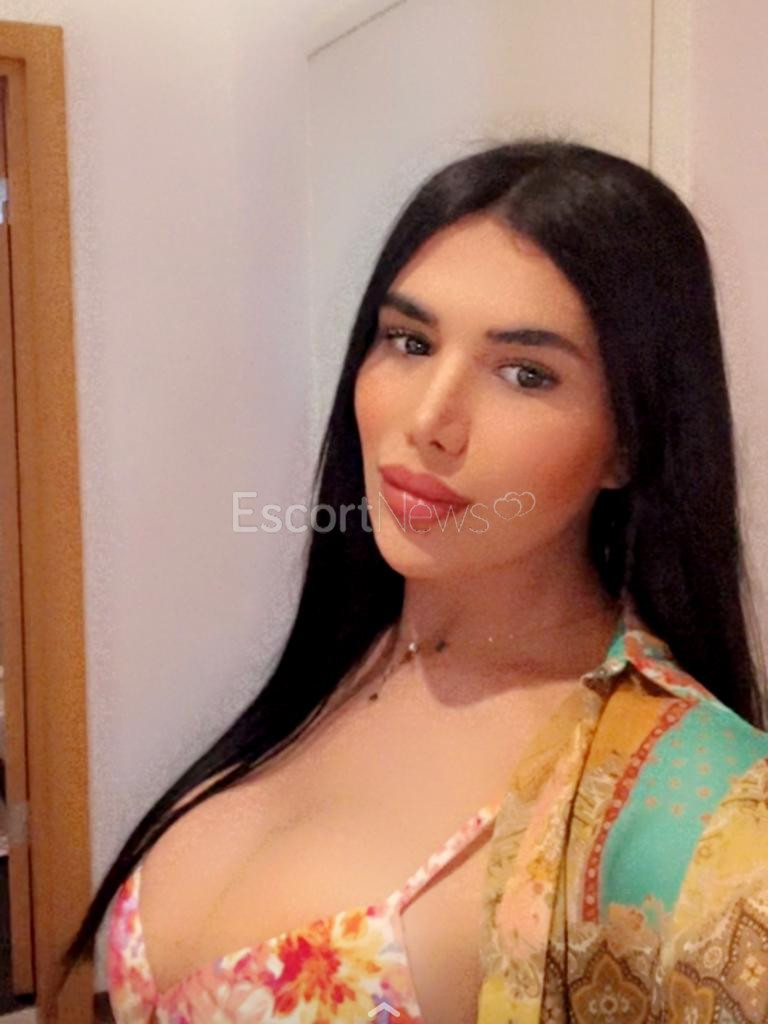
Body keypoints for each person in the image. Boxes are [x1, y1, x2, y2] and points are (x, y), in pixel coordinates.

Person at [54, 137, 768, 1024]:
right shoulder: (350, 661)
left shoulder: (696, 807)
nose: (430, 418)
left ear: (628, 440)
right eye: (409, 341)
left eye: (525, 373)